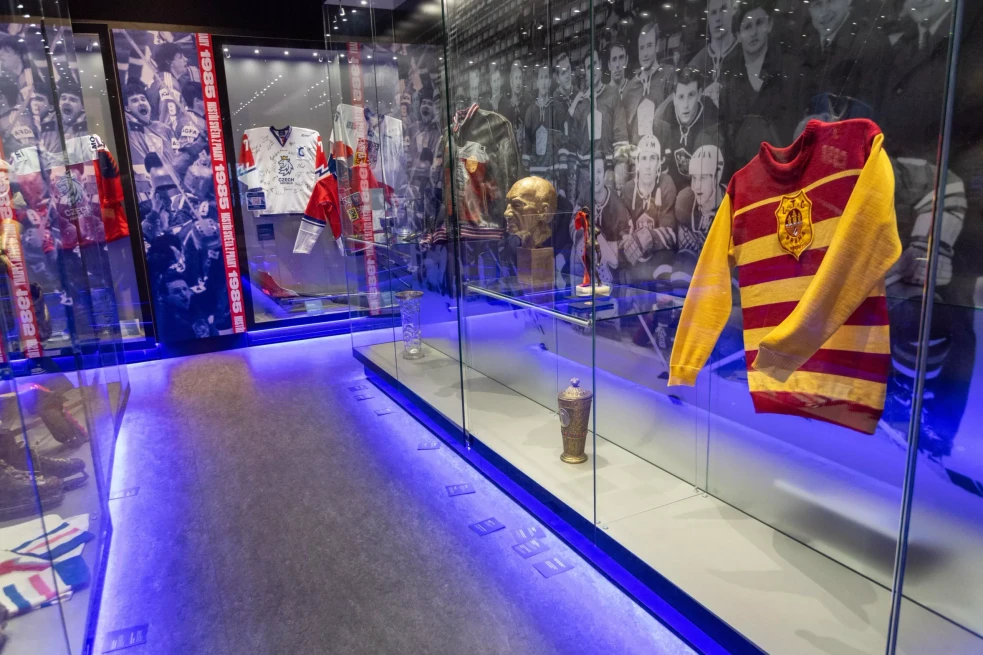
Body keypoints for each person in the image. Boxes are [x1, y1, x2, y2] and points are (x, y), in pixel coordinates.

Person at [717, 0, 796, 171]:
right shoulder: (730, 72)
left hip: (778, 168)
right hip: (739, 169)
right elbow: (724, 126)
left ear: (770, 25)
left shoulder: (788, 69)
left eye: (759, 23)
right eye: (747, 27)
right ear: (738, 35)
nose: (754, 32)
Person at [797, 0, 892, 121]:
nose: (824, 12)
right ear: (809, 9)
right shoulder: (807, 46)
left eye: (831, 1)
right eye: (817, 4)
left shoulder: (872, 45)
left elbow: (869, 114)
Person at [619, 135, 677, 288]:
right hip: (636, 259)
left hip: (659, 257)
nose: (648, 165)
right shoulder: (628, 189)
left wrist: (650, 236)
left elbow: (670, 233)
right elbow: (623, 229)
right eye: (643, 158)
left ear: (659, 163)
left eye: (652, 158)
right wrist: (627, 238)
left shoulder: (666, 184)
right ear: (637, 162)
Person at [653, 68, 721, 195]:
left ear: (699, 94)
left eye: (691, 95)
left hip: (702, 190)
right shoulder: (664, 120)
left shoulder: (711, 122)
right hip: (674, 187)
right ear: (674, 98)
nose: (685, 105)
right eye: (681, 97)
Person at [622, 21, 674, 140]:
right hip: (636, 150)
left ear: (657, 46)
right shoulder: (630, 88)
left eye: (649, 45)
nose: (645, 53)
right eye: (642, 47)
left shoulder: (669, 76)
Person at [688, 0, 739, 108]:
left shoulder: (746, 56)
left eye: (723, 9)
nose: (718, 18)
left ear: (734, 9)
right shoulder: (696, 63)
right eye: (713, 12)